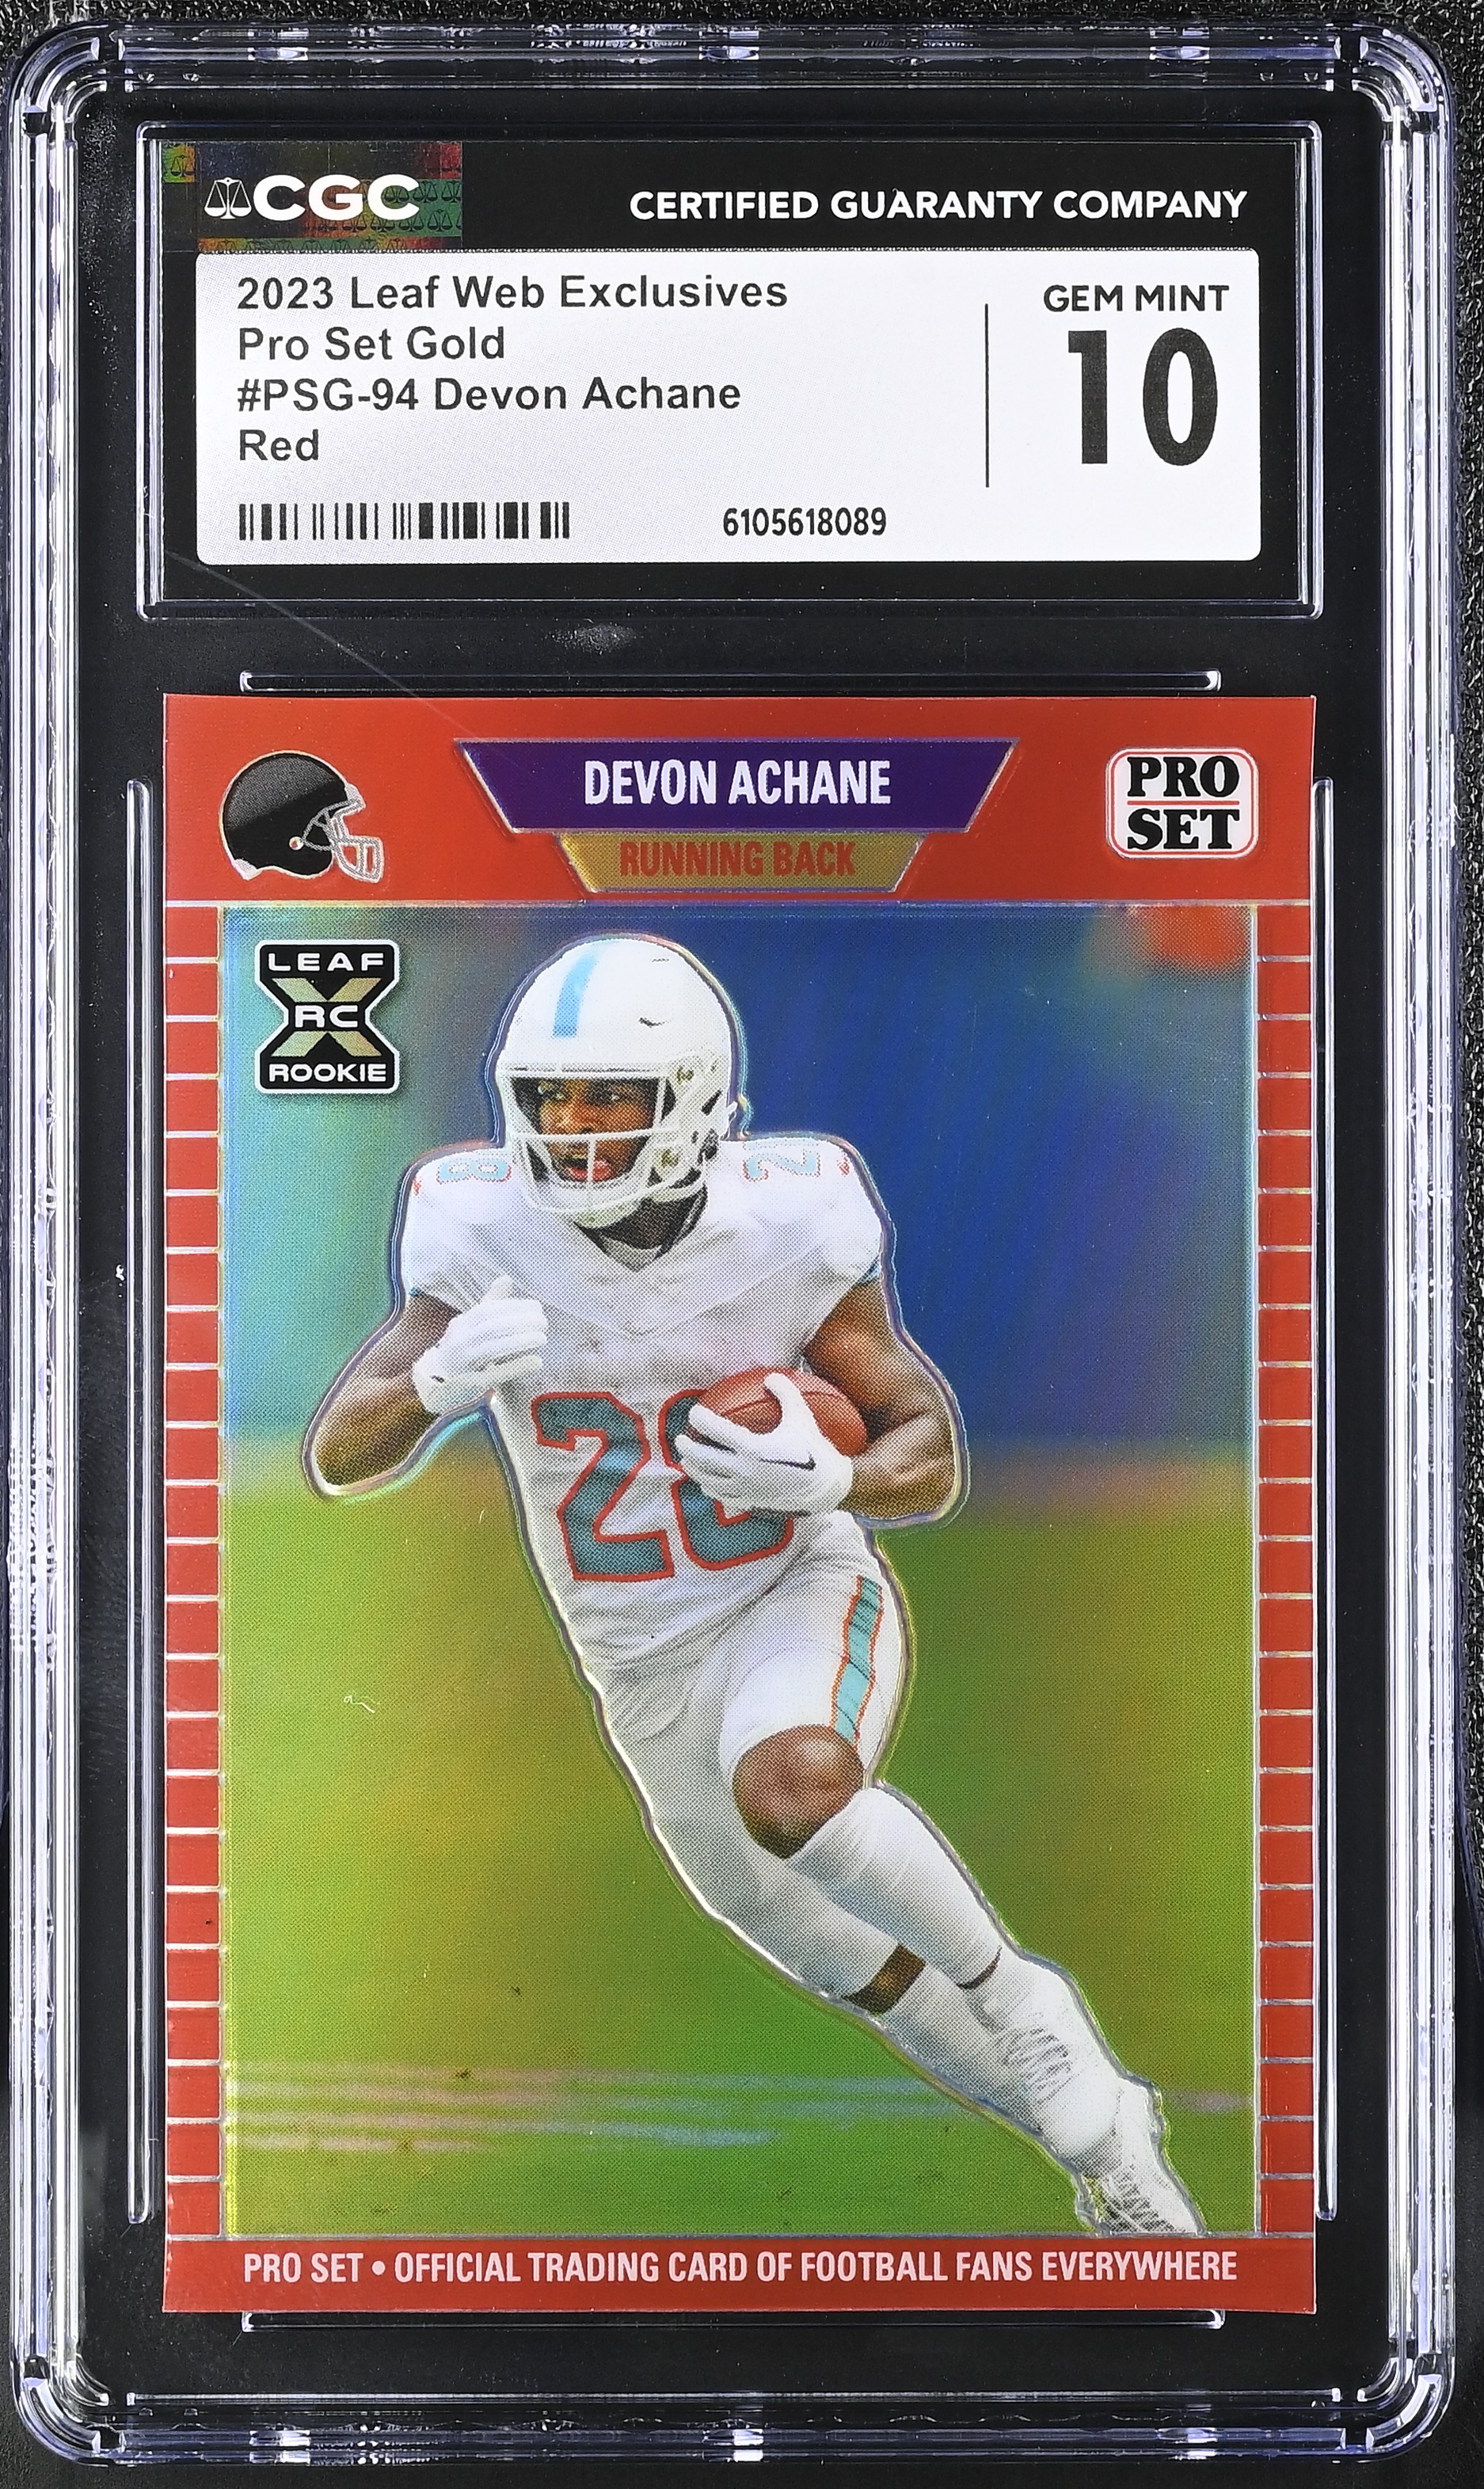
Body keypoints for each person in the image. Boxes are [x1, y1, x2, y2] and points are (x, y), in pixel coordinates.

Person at [306, 934, 1202, 2236]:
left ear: (691, 1098)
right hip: (632, 1660)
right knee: (857, 1965)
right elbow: (341, 1454)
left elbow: (925, 1451)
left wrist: (829, 1482)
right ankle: (1113, 2163)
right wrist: (433, 1385)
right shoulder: (474, 1223)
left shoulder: (789, 1217)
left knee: (792, 1790)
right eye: (551, 1097)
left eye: (610, 1096)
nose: (575, 1128)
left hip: (787, 1588)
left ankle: (1020, 1995)